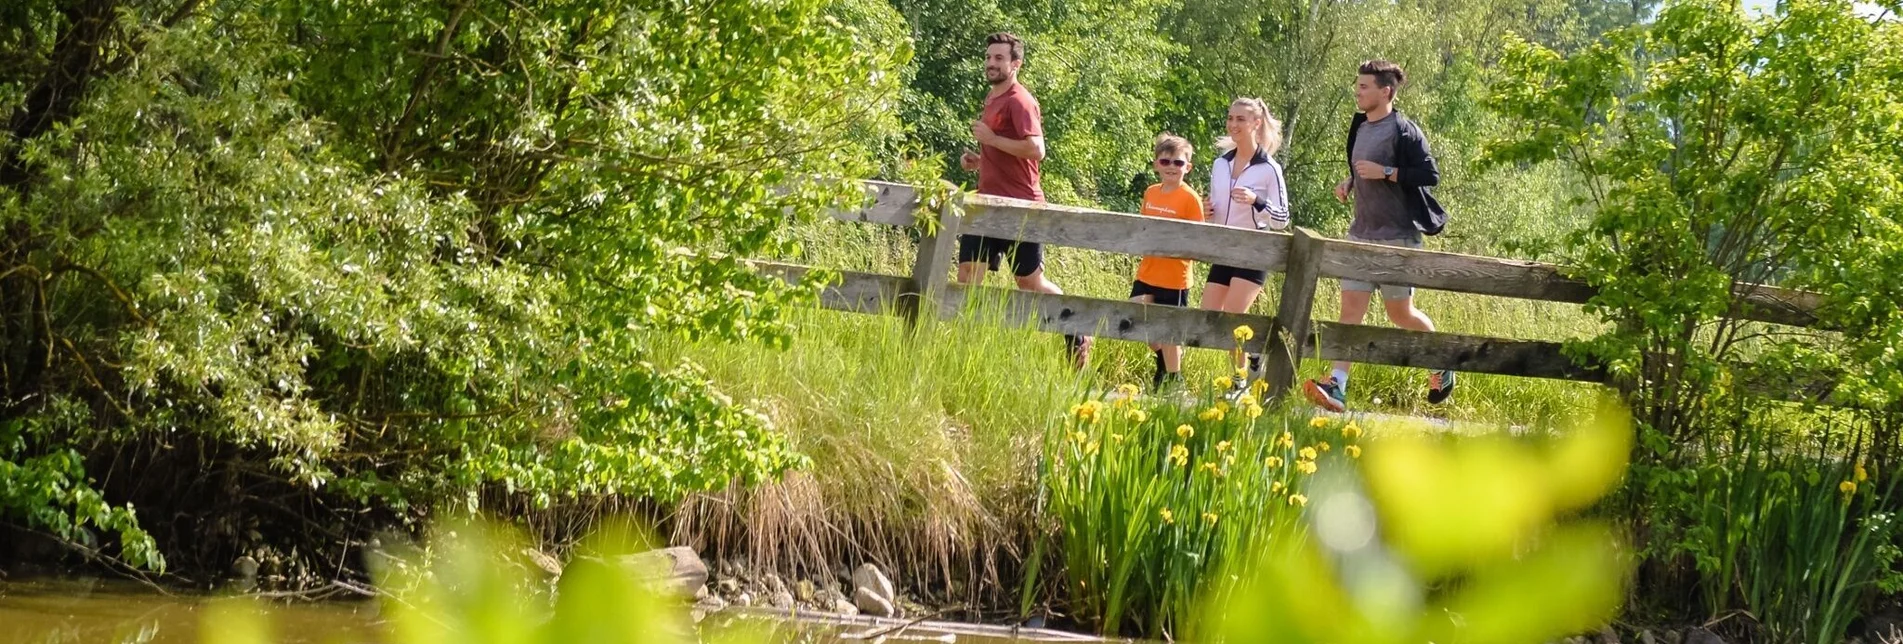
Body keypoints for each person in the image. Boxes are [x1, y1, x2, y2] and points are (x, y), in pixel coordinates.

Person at [1302, 59, 1455, 413]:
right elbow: (1361, 168)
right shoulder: (1359, 127)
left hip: (1398, 238)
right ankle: (1337, 384)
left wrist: (1386, 172)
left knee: (1401, 314)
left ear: (1385, 91)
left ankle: (1441, 362)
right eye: (1357, 86)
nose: (1357, 92)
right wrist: (1351, 182)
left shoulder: (1404, 130)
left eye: (1364, 87)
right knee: (1350, 312)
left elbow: (1429, 175)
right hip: (1361, 235)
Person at [956, 32, 1093, 369]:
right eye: (989, 57)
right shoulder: (992, 98)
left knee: (1029, 283)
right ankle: (967, 355)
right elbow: (1006, 150)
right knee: (967, 278)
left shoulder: (1020, 100)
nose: (991, 63)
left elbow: (1036, 149)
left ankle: (1077, 329)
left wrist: (992, 139)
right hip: (986, 203)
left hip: (1021, 206)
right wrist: (981, 157)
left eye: (999, 58)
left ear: (1015, 64)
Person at [1202, 97, 1290, 395]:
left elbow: (1282, 218)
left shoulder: (1269, 168)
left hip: (1253, 251)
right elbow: (1216, 207)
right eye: (1230, 118)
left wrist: (1257, 201)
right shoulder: (1220, 164)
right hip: (1223, 248)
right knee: (1210, 313)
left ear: (1256, 124)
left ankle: (1239, 382)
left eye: (1240, 119)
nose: (1233, 124)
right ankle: (1254, 354)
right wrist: (1206, 211)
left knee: (1234, 316)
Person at [1130, 134, 1205, 390]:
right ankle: (1165, 365)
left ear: (1188, 167)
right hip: (1148, 271)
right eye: (1165, 161)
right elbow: (1143, 228)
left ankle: (1173, 381)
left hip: (1175, 276)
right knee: (1143, 323)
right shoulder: (1150, 192)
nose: (1172, 167)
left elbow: (1199, 237)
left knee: (1170, 330)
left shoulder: (1189, 198)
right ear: (1156, 165)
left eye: (1178, 163)